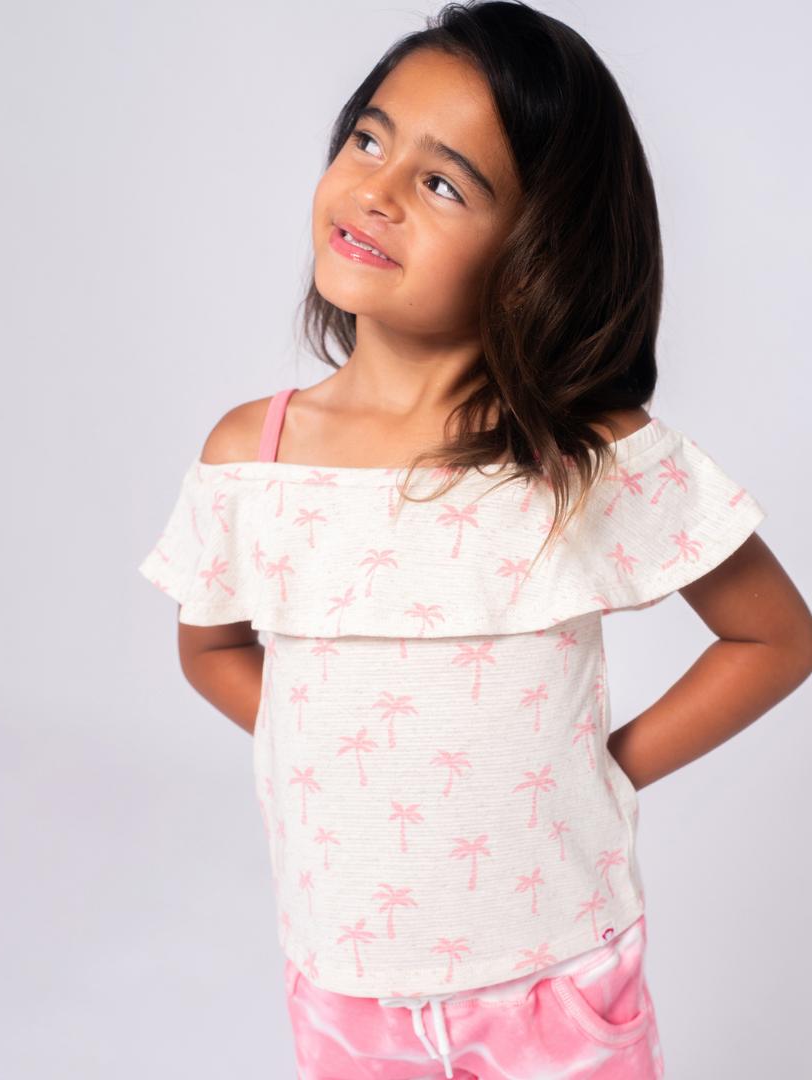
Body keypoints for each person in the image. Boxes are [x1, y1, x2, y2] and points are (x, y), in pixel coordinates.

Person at [136, 3, 812, 1077]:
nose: (378, 189)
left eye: (444, 183)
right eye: (369, 139)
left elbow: (776, 637)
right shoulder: (252, 457)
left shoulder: (584, 455)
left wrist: (601, 770)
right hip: (348, 988)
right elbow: (211, 649)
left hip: (559, 981)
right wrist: (337, 749)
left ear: (537, 249)